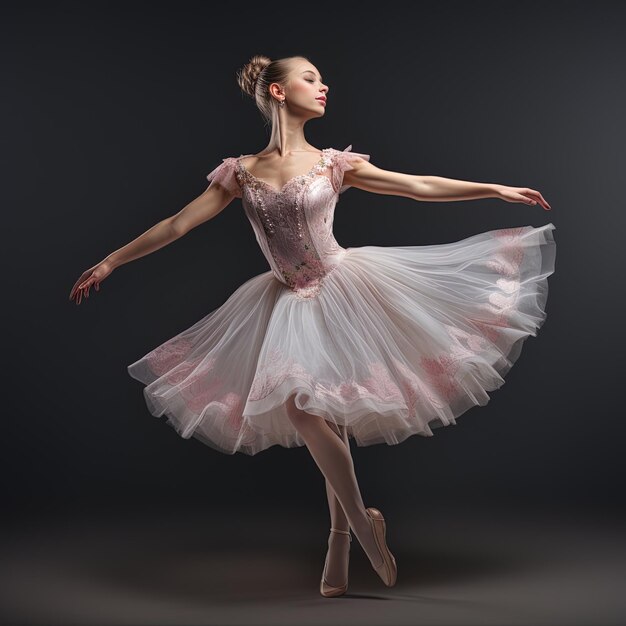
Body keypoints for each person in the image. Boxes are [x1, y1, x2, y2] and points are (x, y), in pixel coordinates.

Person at [69, 54, 556, 597]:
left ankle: (342, 546)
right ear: (277, 92)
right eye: (310, 78)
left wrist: (493, 189)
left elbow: (416, 185)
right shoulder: (240, 173)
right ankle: (358, 534)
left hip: (345, 288)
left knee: (322, 412)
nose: (323, 87)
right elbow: (178, 223)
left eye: (322, 79)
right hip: (285, 300)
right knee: (310, 409)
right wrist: (112, 260)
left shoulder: (332, 163)